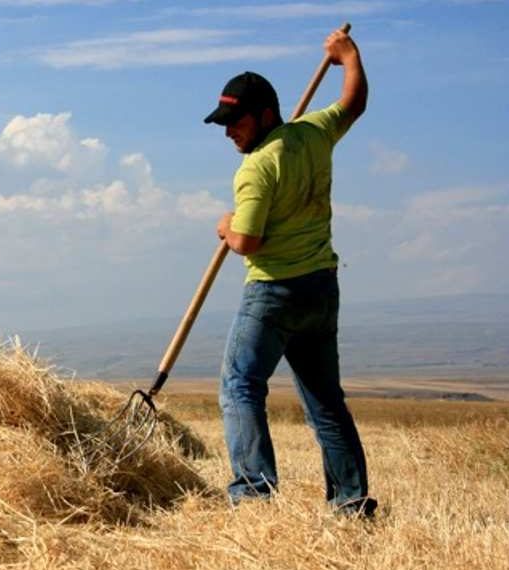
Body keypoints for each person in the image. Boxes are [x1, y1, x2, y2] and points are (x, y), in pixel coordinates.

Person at [203, 28, 376, 517]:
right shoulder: (314, 134)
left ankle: (254, 497)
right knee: (325, 401)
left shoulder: (256, 168)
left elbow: (248, 241)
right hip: (321, 287)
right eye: (224, 122)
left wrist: (224, 226)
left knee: (239, 387)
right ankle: (350, 501)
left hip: (273, 293)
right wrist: (349, 58)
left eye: (235, 121)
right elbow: (354, 102)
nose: (229, 131)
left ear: (262, 115)